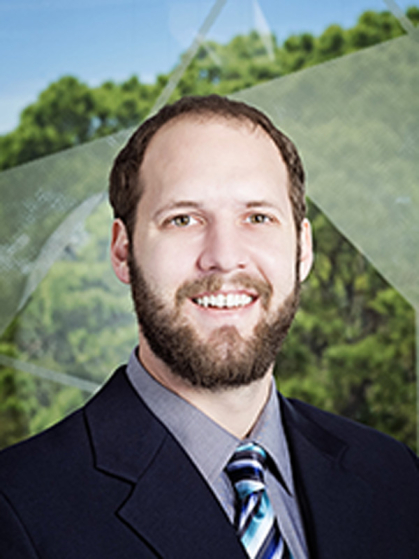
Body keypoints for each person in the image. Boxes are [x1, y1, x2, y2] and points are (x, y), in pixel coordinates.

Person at [0, 94, 418, 559]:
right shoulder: (17, 510)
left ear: (302, 248)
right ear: (123, 251)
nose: (223, 256)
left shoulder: (394, 476)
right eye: (183, 219)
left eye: (257, 217)